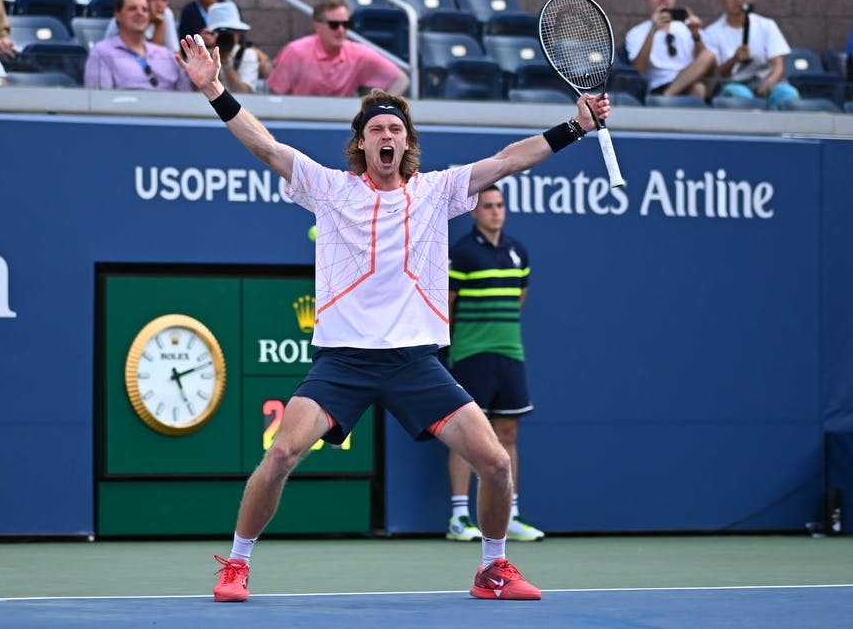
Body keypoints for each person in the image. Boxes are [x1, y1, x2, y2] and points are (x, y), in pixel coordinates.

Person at [174, 31, 611, 602]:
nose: (387, 136)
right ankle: (236, 564)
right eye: (377, 129)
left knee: (497, 464)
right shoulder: (330, 190)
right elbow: (267, 147)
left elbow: (507, 160)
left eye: (396, 130)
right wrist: (215, 91)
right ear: (361, 142)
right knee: (280, 453)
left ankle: (493, 568)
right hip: (344, 363)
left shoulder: (436, 192)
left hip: (414, 363)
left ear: (407, 145)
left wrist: (574, 126)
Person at [444, 185, 544, 544]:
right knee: (466, 436)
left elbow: (520, 298)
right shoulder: (463, 253)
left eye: (500, 205)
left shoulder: (519, 251)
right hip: (471, 354)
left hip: (510, 353)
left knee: (508, 434)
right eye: (488, 207)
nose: (495, 212)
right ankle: (459, 517)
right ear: (474, 211)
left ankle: (510, 514)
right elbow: (448, 306)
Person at [266, 0, 409, 97]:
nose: (341, 30)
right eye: (334, 24)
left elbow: (401, 79)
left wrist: (380, 110)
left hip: (341, 123)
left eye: (346, 24)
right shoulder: (295, 52)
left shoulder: (359, 54)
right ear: (317, 26)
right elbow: (275, 94)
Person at [701, 0, 799, 110]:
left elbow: (778, 65)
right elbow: (717, 74)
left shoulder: (767, 25)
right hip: (733, 84)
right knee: (740, 95)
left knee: (787, 93)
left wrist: (770, 81)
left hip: (765, 80)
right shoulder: (711, 33)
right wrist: (734, 59)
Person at [625, 0, 716, 100]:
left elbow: (708, 66)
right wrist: (653, 31)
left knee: (703, 74)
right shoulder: (636, 33)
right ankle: (665, 96)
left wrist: (696, 34)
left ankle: (666, 97)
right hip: (656, 87)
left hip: (688, 82)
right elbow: (638, 70)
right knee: (698, 88)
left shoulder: (688, 26)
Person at [84, 0, 192, 91]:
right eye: (132, 9)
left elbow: (187, 98)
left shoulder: (167, 55)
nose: (140, 13)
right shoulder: (101, 53)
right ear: (118, 14)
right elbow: (100, 102)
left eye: (145, 9)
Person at [203, 0, 272, 94]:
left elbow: (244, 92)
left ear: (239, 33)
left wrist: (225, 62)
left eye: (230, 32)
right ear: (210, 34)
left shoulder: (247, 54)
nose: (225, 37)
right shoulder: (203, 53)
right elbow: (196, 89)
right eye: (220, 32)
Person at [104, 0, 179, 53]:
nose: (160, 4)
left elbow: (174, 53)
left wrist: (159, 25)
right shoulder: (123, 18)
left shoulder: (166, 13)